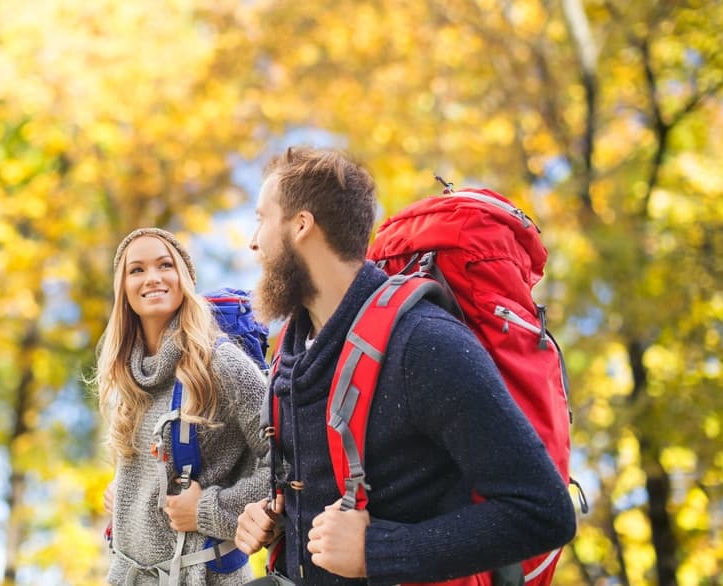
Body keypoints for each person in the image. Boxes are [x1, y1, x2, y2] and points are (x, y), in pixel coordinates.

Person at [234, 148, 577, 585]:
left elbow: (544, 513)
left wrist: (377, 551)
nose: (253, 241)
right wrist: (274, 518)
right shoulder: (291, 351)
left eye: (262, 219)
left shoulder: (422, 343)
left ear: (301, 226)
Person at [94, 227, 270, 585]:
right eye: (137, 269)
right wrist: (128, 492)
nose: (153, 278)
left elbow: (291, 461)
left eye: (165, 265)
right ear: (123, 288)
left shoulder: (220, 364)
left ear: (184, 278)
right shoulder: (129, 375)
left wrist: (208, 510)